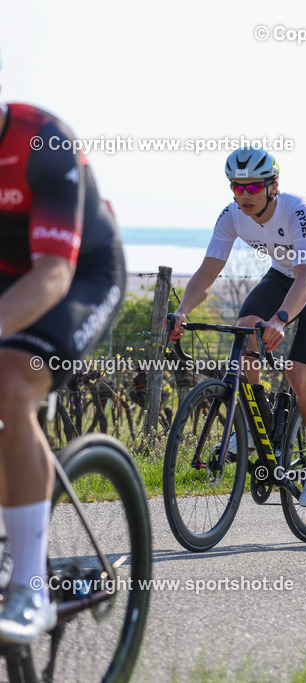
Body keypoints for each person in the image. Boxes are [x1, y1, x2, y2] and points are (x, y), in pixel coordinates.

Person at [0, 94, 126, 641]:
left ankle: (30, 587)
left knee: (10, 383)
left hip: (79, 277)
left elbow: (52, 275)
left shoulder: (41, 140)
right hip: (9, 274)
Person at [168, 147, 306, 507]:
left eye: (252, 188)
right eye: (236, 188)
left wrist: (281, 319)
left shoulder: (299, 209)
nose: (243, 196)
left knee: (299, 375)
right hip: (282, 277)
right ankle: (254, 422)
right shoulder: (232, 215)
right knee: (246, 329)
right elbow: (208, 271)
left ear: (273, 186)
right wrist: (183, 310)